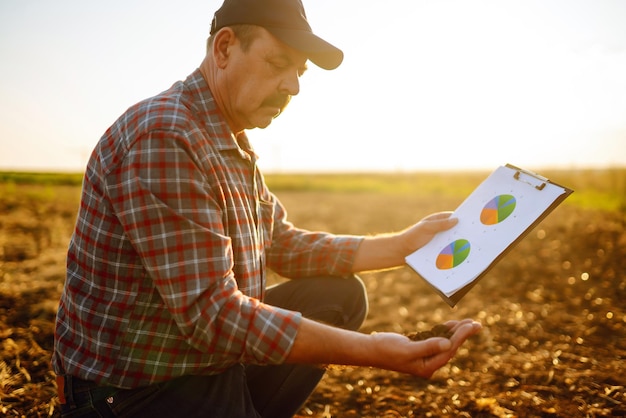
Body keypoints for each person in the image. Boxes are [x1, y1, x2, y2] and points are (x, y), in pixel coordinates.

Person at [52, 0, 482, 416]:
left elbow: (280, 243)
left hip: (196, 362)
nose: (293, 86)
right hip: (130, 393)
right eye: (279, 64)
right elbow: (214, 315)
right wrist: (376, 351)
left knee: (338, 295)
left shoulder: (228, 134)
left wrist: (401, 246)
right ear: (224, 48)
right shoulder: (165, 136)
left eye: (300, 71)